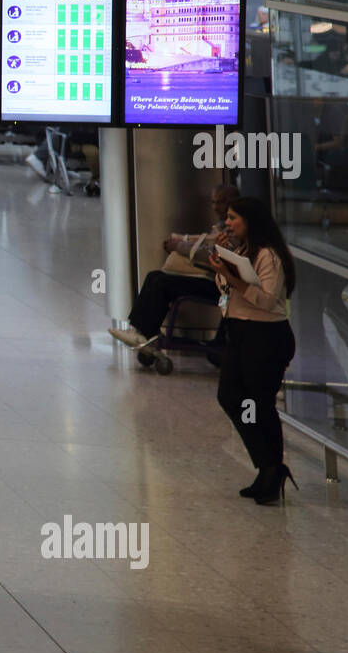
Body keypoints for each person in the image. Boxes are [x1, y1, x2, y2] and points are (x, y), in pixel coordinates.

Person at [208, 197, 299, 505]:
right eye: (228, 218)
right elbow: (226, 289)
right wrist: (224, 265)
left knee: (260, 403)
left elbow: (268, 300)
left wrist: (231, 275)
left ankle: (271, 470)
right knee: (231, 396)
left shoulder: (268, 256)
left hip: (267, 337)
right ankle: (267, 465)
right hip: (240, 333)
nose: (228, 223)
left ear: (251, 220)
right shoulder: (242, 251)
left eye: (234, 218)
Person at [109, 183, 241, 349]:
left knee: (161, 283)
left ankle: (145, 334)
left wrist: (180, 246)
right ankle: (141, 331)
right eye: (214, 202)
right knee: (154, 276)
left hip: (222, 286)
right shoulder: (224, 225)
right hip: (215, 278)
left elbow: (213, 254)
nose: (216, 207)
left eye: (221, 202)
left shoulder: (236, 228)